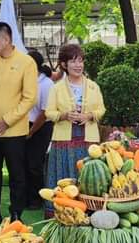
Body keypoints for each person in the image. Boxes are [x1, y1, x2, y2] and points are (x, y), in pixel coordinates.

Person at [0, 22, 37, 223]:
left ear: (7, 39)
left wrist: (7, 121)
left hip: (14, 132)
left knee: (16, 175)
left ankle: (16, 213)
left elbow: (29, 98)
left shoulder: (26, 62)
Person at [44, 43, 106, 217]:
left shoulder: (94, 86)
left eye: (80, 61)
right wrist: (64, 116)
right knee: (63, 175)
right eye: (73, 61)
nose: (78, 65)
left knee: (88, 176)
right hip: (64, 140)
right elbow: (49, 112)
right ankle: (61, 212)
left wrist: (89, 116)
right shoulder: (56, 88)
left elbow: (102, 110)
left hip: (89, 140)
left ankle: (89, 212)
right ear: (64, 64)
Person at [25, 50, 55, 210]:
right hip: (25, 126)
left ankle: (37, 198)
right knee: (23, 163)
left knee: (35, 164)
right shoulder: (28, 81)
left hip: (41, 127)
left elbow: (44, 113)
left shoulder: (46, 84)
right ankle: (26, 197)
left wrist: (31, 132)